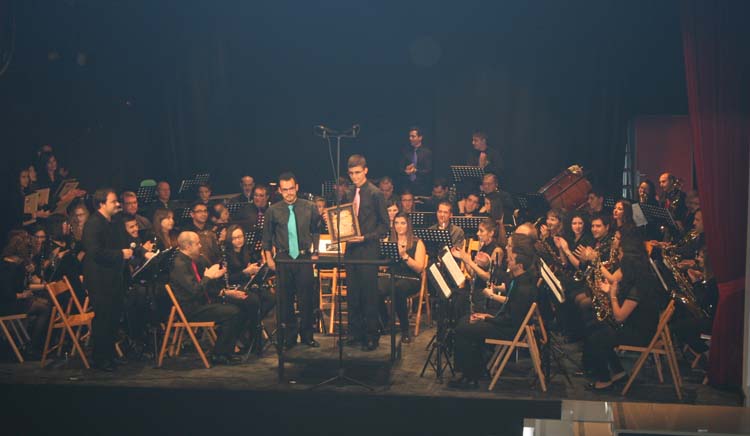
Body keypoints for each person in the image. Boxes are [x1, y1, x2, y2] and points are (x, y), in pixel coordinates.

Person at [449, 233, 538, 389]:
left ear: (519, 263)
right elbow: (509, 305)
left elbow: (511, 320)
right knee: (466, 321)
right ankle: (475, 370)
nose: (507, 254)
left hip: (509, 330)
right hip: (505, 323)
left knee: (463, 327)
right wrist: (488, 316)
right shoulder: (519, 278)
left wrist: (487, 318)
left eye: (510, 249)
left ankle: (469, 376)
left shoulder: (524, 287)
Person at [582, 236, 659, 390]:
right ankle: (617, 372)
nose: (618, 257)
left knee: (598, 337)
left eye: (621, 254)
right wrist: (609, 291)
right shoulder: (635, 277)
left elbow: (619, 316)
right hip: (632, 325)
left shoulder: (639, 286)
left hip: (640, 333)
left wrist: (612, 295)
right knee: (593, 326)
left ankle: (604, 379)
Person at [262, 172, 322, 349]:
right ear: (280, 190)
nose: (289, 193)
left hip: (303, 257)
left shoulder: (309, 207)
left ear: (297, 187)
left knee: (307, 299)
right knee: (285, 299)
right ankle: (289, 337)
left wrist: (316, 252)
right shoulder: (273, 210)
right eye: (285, 190)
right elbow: (267, 237)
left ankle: (307, 335)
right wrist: (268, 259)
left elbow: (316, 231)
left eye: (291, 188)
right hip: (283, 258)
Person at [169, 231, 247, 365]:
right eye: (197, 243)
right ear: (188, 246)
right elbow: (194, 291)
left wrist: (214, 276)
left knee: (239, 305)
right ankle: (220, 354)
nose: (200, 246)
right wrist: (208, 277)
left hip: (201, 303)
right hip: (192, 309)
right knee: (232, 311)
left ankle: (224, 351)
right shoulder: (180, 265)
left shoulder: (190, 260)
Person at [82, 188, 134, 371]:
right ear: (101, 204)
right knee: (103, 317)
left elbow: (124, 241)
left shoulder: (113, 222)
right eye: (113, 201)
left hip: (112, 277)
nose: (117, 204)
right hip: (99, 279)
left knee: (113, 317)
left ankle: (110, 355)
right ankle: (100, 358)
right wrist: (120, 254)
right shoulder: (93, 224)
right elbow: (94, 252)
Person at [343, 155, 389, 350]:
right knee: (353, 294)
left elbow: (384, 226)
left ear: (366, 171)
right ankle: (355, 332)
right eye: (352, 173)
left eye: (358, 173)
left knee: (369, 294)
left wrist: (366, 237)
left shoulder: (375, 193)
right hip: (351, 250)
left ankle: (372, 335)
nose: (355, 177)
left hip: (368, 250)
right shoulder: (348, 193)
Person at [0, 231, 51, 359]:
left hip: (15, 300)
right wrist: (23, 295)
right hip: (8, 305)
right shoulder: (8, 266)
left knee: (45, 302)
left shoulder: (17, 264)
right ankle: (32, 346)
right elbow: (6, 293)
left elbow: (21, 285)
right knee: (44, 308)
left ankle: (31, 344)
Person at [378, 212, 426, 344]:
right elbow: (382, 264)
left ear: (408, 225)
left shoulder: (417, 242)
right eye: (397, 223)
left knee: (399, 289)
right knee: (375, 287)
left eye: (403, 223)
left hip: (411, 279)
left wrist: (405, 255)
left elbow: (419, 268)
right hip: (392, 275)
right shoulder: (389, 240)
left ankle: (405, 330)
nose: (399, 226)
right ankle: (385, 321)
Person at [451, 218, 504, 316]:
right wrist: (463, 258)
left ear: (491, 233)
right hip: (477, 289)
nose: (478, 233)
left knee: (460, 301)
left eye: (481, 231)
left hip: (486, 294)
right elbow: (472, 273)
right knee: (455, 297)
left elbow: (489, 278)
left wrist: (469, 261)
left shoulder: (497, 250)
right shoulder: (483, 247)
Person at [398, 127, 433, 196]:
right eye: (410, 136)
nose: (410, 138)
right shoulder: (405, 151)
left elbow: (429, 171)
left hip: (422, 187)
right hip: (407, 186)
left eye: (413, 136)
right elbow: (400, 169)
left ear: (420, 137)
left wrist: (416, 171)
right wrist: (406, 171)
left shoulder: (426, 152)